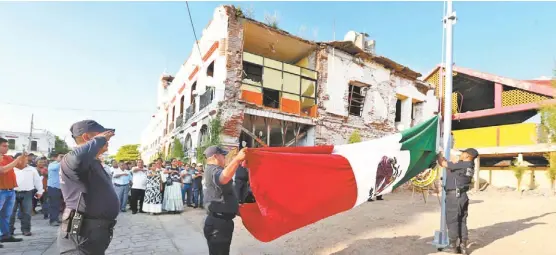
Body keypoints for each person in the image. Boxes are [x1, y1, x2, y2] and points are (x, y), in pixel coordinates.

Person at [58, 120, 119, 254]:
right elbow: (77, 157)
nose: (107, 139)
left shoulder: (92, 161)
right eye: (103, 135)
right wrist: (100, 139)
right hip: (81, 232)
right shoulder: (71, 159)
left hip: (94, 230)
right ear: (86, 137)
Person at [203, 146, 246, 255]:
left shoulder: (215, 169)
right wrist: (236, 160)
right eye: (223, 155)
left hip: (221, 222)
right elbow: (223, 179)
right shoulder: (213, 169)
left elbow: (223, 195)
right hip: (218, 224)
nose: (225, 158)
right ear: (215, 156)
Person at [436, 148, 478, 255]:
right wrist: (444, 159)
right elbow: (448, 165)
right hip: (462, 196)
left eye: (463, 153)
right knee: (462, 221)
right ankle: (463, 247)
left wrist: (436, 153)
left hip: (454, 196)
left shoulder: (464, 164)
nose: (461, 154)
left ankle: (453, 247)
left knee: (452, 221)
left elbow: (443, 163)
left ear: (468, 156)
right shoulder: (468, 165)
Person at [10, 153, 43, 236]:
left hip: (27, 193)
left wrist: (40, 191)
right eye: (21, 159)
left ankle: (26, 230)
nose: (23, 161)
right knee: (10, 213)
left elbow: (37, 181)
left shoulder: (32, 169)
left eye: (25, 159)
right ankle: (9, 231)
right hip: (12, 192)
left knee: (27, 212)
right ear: (15, 160)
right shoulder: (10, 168)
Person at [0, 138, 25, 248]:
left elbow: (20, 166)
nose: (7, 147)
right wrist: (17, 159)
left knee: (6, 215)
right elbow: (3, 170)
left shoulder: (7, 157)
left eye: (7, 145)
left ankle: (5, 235)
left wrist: (23, 158)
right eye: (4, 145)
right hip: (1, 191)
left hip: (10, 191)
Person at [47, 152, 64, 226]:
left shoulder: (63, 165)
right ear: (56, 157)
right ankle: (53, 220)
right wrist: (62, 161)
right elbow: (56, 168)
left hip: (61, 187)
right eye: (61, 156)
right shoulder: (52, 164)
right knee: (54, 204)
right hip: (53, 187)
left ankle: (56, 218)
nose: (62, 158)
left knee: (58, 204)